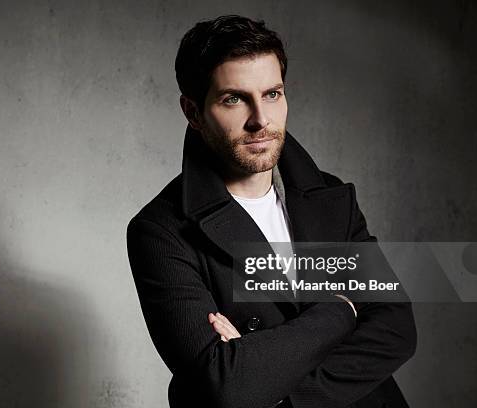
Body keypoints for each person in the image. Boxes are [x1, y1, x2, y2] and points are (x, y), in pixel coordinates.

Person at [126, 15, 416, 408]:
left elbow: (396, 328)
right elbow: (226, 386)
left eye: (272, 94)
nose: (260, 120)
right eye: (234, 98)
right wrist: (343, 310)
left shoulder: (329, 196)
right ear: (193, 112)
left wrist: (280, 389)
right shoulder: (161, 231)